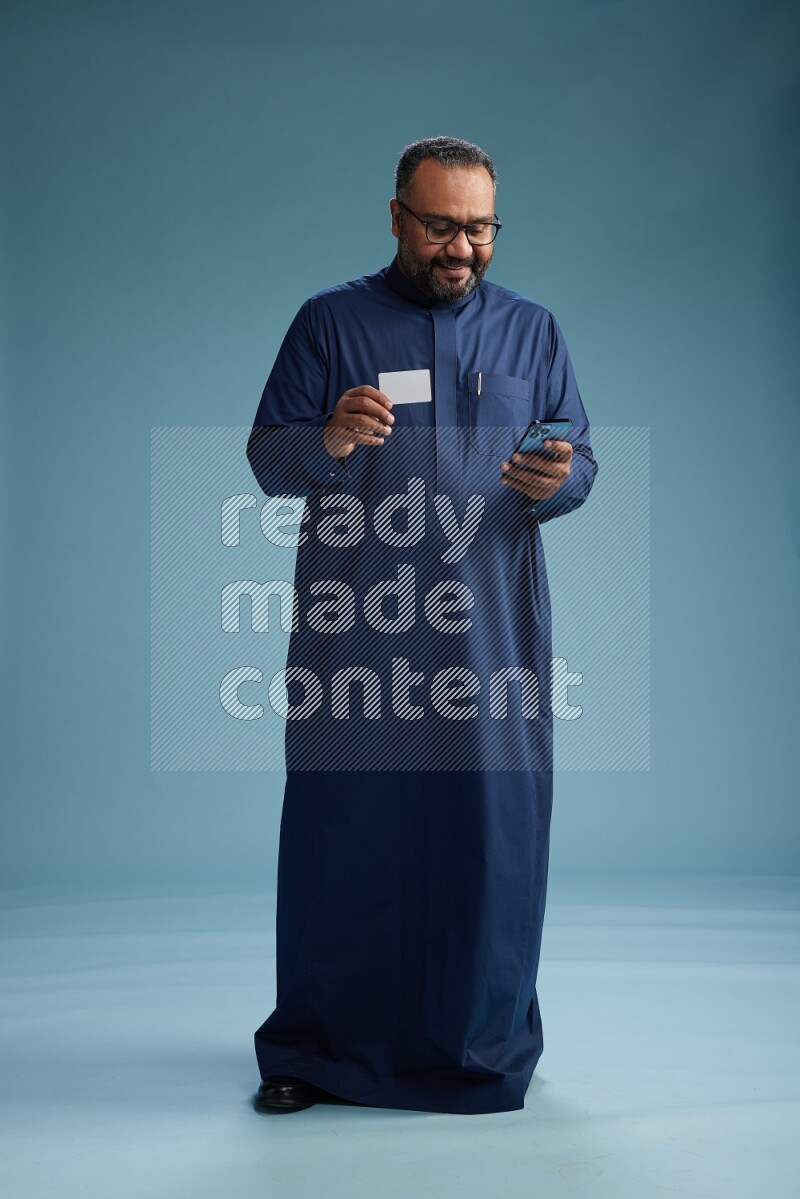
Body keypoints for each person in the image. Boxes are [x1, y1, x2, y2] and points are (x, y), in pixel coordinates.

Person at [246, 136, 597, 1115]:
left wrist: (560, 478)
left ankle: (475, 1048)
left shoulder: (531, 332)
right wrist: (324, 438)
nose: (460, 247)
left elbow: (581, 457)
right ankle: (312, 1049)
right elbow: (268, 455)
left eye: (479, 228)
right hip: (355, 633)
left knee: (488, 837)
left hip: (487, 643)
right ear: (396, 215)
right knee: (341, 833)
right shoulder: (330, 324)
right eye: (440, 225)